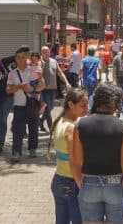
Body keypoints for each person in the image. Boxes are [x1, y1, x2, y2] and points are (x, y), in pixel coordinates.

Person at [71, 82, 123, 224]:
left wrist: (82, 184)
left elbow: (76, 162)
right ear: (115, 102)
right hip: (116, 186)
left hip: (89, 184)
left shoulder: (80, 125)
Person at [50, 88, 90, 224]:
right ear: (71, 105)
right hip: (71, 182)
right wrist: (82, 186)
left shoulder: (60, 122)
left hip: (59, 180)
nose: (87, 108)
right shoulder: (72, 128)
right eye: (83, 105)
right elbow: (74, 162)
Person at [8, 46, 45, 161]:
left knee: (33, 128)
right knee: (17, 130)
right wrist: (19, 86)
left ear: (27, 58)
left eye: (23, 57)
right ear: (16, 59)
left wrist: (32, 90)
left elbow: (42, 85)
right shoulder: (12, 73)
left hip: (32, 104)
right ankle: (16, 152)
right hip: (19, 105)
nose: (21, 60)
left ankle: (32, 149)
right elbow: (8, 90)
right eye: (18, 58)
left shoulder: (34, 69)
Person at [42, 46, 70, 132]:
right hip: (44, 89)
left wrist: (66, 82)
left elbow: (60, 73)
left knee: (50, 108)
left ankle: (40, 121)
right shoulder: (40, 62)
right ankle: (52, 128)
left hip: (53, 89)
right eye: (45, 52)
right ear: (41, 53)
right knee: (47, 108)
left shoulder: (54, 61)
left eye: (48, 52)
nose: (47, 53)